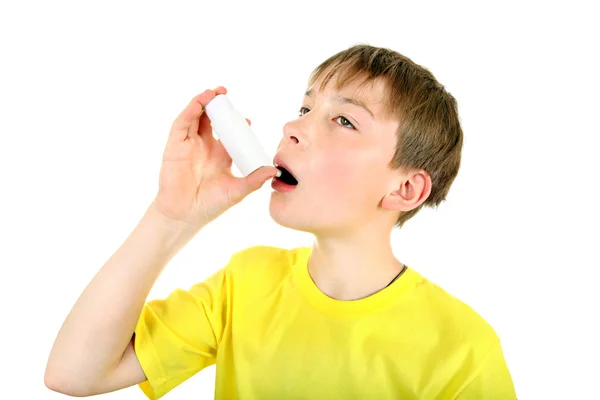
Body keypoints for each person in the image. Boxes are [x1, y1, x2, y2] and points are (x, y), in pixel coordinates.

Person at [44, 44, 516, 399]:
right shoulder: (245, 284)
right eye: (305, 109)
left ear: (404, 189)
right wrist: (172, 216)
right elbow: (74, 373)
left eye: (345, 121)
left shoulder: (462, 347)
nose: (294, 127)